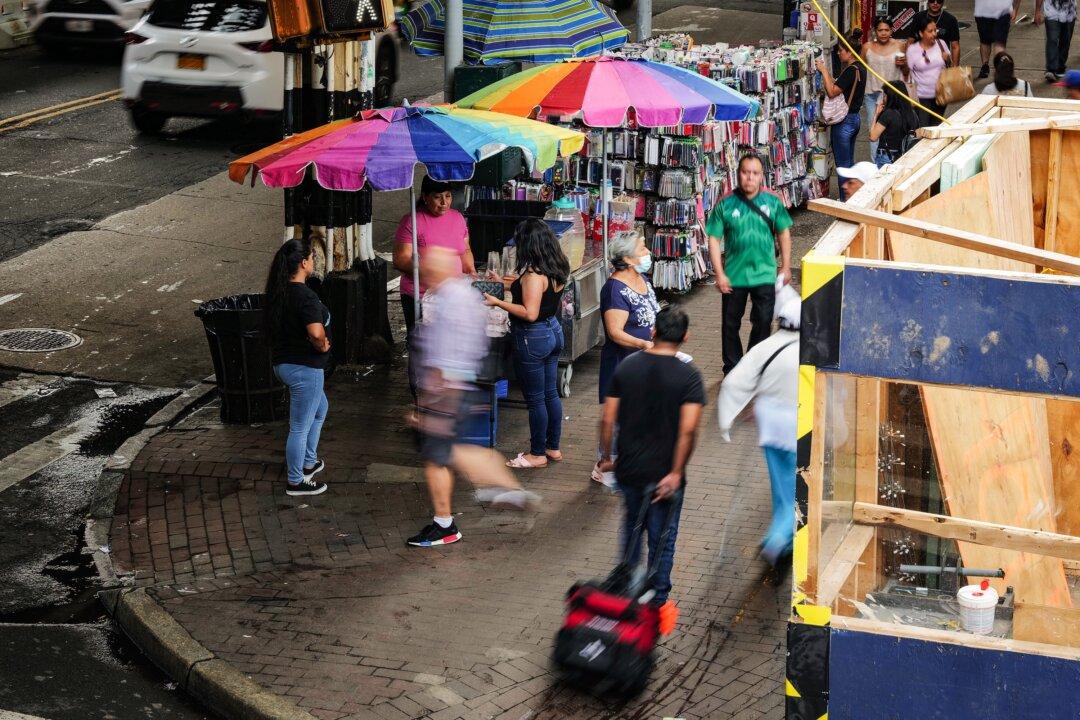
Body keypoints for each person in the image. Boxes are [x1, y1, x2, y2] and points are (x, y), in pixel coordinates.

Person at [408, 247, 540, 548]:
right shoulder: (463, 295)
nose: (424, 273)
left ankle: (445, 525)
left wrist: (432, 397)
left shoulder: (450, 301)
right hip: (459, 385)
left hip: (446, 390)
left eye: (428, 267)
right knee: (455, 449)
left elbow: (445, 352)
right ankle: (508, 489)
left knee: (436, 456)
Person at [598, 305, 705, 607]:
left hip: (630, 469)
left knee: (632, 531)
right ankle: (657, 601)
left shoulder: (627, 367)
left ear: (653, 331)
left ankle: (626, 594)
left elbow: (607, 419)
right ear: (685, 336)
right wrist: (675, 473)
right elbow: (688, 431)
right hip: (665, 474)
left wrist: (607, 457)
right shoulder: (689, 377)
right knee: (662, 539)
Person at [717, 281, 800, 570]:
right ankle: (778, 540)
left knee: (780, 487)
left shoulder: (767, 347)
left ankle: (781, 536)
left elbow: (734, 381)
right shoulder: (811, 352)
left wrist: (727, 420)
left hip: (769, 424)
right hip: (796, 429)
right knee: (795, 490)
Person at [484, 218, 568, 469]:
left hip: (534, 335)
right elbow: (536, 294)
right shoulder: (556, 265)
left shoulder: (533, 274)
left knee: (535, 399)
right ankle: (553, 447)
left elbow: (529, 312)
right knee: (550, 393)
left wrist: (498, 302)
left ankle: (537, 454)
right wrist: (504, 282)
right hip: (552, 330)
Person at [706, 154, 793, 375]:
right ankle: (732, 368)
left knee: (763, 321)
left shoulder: (773, 201)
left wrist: (785, 265)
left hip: (765, 274)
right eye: (745, 172)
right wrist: (719, 273)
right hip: (734, 275)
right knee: (730, 324)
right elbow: (714, 239)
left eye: (755, 173)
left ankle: (755, 364)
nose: (750, 178)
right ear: (738, 174)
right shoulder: (725, 203)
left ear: (762, 176)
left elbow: (784, 233)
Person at [592, 230, 659, 487]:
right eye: (642, 249)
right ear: (628, 258)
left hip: (646, 363)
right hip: (623, 364)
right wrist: (643, 343)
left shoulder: (643, 280)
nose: (648, 254)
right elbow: (615, 332)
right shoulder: (614, 289)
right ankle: (606, 463)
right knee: (618, 417)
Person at [265, 238, 331, 497]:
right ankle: (296, 479)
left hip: (283, 364)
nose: (313, 262)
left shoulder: (278, 293)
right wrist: (323, 345)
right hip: (305, 368)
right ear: (304, 264)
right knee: (300, 426)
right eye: (312, 258)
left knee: (320, 408)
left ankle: (309, 461)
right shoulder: (305, 296)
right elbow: (316, 333)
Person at [393, 176, 476, 335]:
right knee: (422, 342)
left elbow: (465, 250)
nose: (444, 202)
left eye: (448, 196)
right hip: (421, 297)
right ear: (425, 197)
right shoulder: (412, 221)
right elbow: (401, 259)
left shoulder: (458, 218)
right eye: (438, 197)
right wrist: (433, 273)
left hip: (453, 295)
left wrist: (471, 271)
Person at [816, 35, 866, 200]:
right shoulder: (861, 68)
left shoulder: (851, 71)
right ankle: (852, 197)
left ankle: (846, 200)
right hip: (855, 119)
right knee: (849, 162)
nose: (838, 54)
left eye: (841, 51)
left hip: (844, 122)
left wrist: (823, 71)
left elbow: (832, 92)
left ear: (850, 52)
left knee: (843, 165)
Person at [862, 16, 906, 161]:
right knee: (874, 131)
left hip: (893, 96)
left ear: (891, 30)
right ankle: (876, 166)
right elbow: (859, 67)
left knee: (894, 129)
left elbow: (907, 72)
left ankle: (893, 160)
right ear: (875, 31)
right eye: (880, 30)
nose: (883, 33)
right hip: (872, 95)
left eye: (886, 30)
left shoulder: (900, 46)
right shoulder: (867, 47)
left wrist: (903, 64)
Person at [904, 15, 950, 127]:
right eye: (930, 31)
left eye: (935, 30)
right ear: (921, 33)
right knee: (923, 129)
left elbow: (950, 66)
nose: (934, 34)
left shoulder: (941, 44)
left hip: (941, 96)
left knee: (936, 128)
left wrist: (947, 59)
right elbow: (906, 73)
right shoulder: (912, 50)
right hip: (921, 97)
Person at [870, 81, 922, 166]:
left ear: (891, 97)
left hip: (886, 158)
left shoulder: (888, 114)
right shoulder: (912, 114)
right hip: (905, 156)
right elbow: (918, 136)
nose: (883, 98)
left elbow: (873, 137)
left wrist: (876, 114)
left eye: (885, 95)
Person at [974, 0, 1023, 79]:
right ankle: (999, 69)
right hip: (1003, 10)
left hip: (982, 10)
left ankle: (985, 66)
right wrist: (1015, 9)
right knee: (999, 43)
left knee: (985, 41)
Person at [905, 0, 962, 66]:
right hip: (920, 62)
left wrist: (955, 69)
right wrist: (907, 64)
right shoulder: (918, 17)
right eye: (932, 0)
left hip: (941, 64)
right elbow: (910, 41)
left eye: (939, 1)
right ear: (928, 1)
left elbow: (955, 46)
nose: (935, 3)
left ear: (943, 2)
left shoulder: (950, 20)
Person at [1036, 0, 1077, 82]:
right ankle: (1051, 69)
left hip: (1069, 11)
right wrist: (1037, 11)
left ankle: (1060, 66)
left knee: (1066, 40)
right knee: (1052, 39)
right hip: (1051, 11)